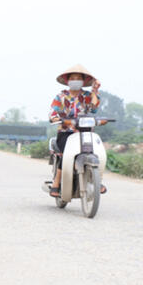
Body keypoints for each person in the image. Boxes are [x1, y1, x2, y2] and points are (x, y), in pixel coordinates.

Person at [48, 64, 106, 197]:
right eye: (73, 78)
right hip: (66, 133)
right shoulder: (61, 96)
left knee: (95, 151)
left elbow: (94, 109)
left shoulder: (87, 95)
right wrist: (59, 119)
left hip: (85, 132)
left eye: (78, 78)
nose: (75, 80)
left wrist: (95, 90)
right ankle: (56, 182)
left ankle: (97, 179)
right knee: (67, 152)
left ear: (83, 81)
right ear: (68, 81)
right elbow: (53, 113)